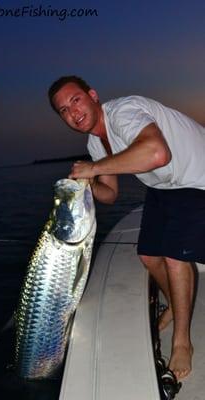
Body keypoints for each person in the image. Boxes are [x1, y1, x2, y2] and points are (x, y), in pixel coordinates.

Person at [48, 75, 205, 381]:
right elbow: (111, 193)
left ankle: (182, 340)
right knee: (148, 255)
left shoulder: (124, 111)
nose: (72, 111)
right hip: (166, 186)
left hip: (198, 178)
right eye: (64, 110)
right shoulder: (95, 141)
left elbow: (158, 153)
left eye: (76, 100)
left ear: (93, 95)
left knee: (174, 256)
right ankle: (174, 303)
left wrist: (94, 168)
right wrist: (90, 184)